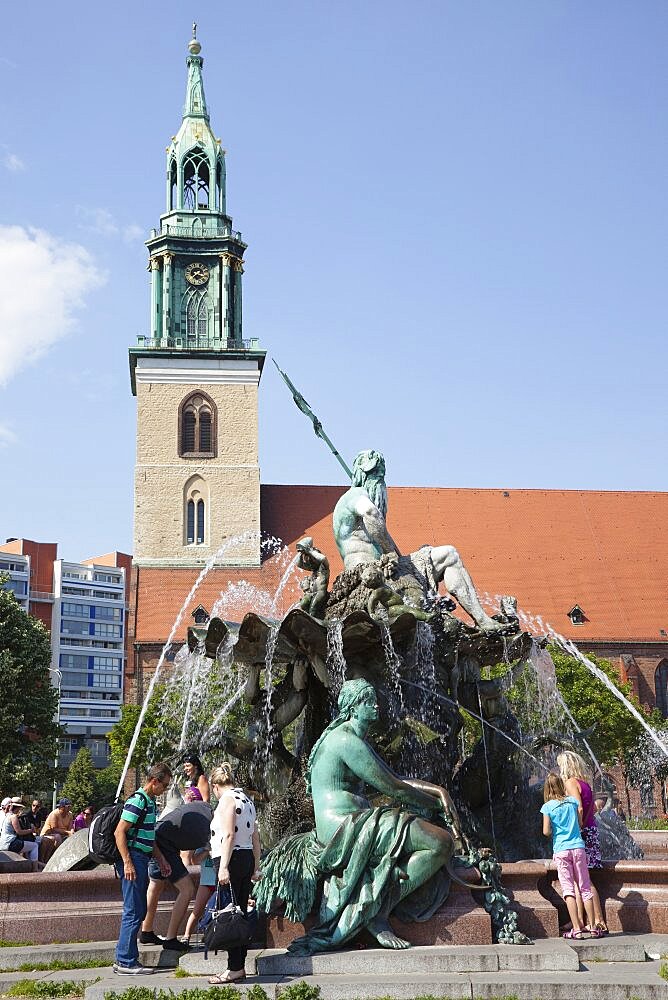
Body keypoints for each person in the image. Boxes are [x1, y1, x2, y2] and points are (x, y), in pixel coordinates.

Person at [255, 679, 465, 955]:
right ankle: (377, 912)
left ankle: (376, 904)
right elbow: (392, 787)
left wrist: (439, 793)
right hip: (344, 827)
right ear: (354, 707)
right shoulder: (345, 740)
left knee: (431, 836)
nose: (376, 705)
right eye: (369, 701)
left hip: (353, 821)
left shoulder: (348, 737)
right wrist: (437, 804)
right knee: (440, 842)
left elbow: (394, 779)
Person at [332, 449, 507, 632]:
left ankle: (483, 620)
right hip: (367, 572)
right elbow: (370, 513)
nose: (380, 478)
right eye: (375, 473)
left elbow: (380, 528)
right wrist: (389, 551)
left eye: (381, 474)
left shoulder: (372, 512)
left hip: (391, 569)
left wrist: (395, 555)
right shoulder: (354, 496)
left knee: (449, 554)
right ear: (361, 472)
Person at [113, 761, 173, 975]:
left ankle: (123, 957)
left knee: (137, 909)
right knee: (133, 910)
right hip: (134, 860)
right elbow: (120, 832)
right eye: (164, 785)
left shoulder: (148, 802)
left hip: (141, 858)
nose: (164, 790)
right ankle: (126, 962)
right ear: (154, 781)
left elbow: (148, 837)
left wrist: (161, 859)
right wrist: (128, 862)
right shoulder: (138, 800)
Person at [207, 762, 261, 985]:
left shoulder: (227, 800)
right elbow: (256, 836)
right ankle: (238, 965)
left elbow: (228, 835)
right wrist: (256, 866)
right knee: (240, 914)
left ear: (215, 785)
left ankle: (234, 968)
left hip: (230, 858)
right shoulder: (247, 799)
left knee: (229, 914)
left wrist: (223, 867)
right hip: (246, 857)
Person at [540, 772, 602, 940]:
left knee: (568, 890)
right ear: (561, 785)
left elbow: (546, 832)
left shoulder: (548, 807)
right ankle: (594, 927)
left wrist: (555, 829)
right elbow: (580, 823)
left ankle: (576, 929)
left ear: (547, 789)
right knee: (585, 887)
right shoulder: (573, 802)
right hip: (578, 848)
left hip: (561, 850)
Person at [556, 751, 608, 935]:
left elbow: (578, 807)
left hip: (581, 832)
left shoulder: (570, 782)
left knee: (585, 880)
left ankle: (597, 921)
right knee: (583, 880)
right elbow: (592, 808)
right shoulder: (585, 784)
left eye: (560, 765)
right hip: (591, 830)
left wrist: (576, 828)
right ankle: (580, 921)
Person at [182, 843, 216, 945]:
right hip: (206, 882)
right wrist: (207, 851)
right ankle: (186, 936)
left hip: (221, 882)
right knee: (197, 910)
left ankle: (213, 935)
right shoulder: (203, 843)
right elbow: (194, 860)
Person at [0, 798, 39, 862]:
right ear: (18, 807)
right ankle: (34, 867)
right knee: (34, 845)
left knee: (25, 844)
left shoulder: (6, 815)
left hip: (2, 843)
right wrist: (31, 830)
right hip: (10, 843)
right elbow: (19, 832)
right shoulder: (13, 816)